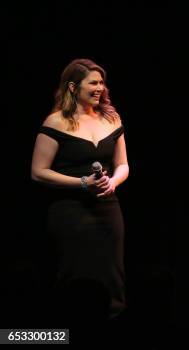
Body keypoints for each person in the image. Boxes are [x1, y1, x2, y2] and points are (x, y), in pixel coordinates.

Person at [31, 58, 129, 318]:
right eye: (93, 83)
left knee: (111, 272)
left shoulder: (112, 118)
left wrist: (113, 182)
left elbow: (123, 165)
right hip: (70, 210)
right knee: (75, 271)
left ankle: (113, 324)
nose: (99, 88)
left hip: (107, 209)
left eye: (101, 83)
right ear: (73, 87)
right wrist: (82, 183)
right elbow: (38, 172)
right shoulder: (56, 122)